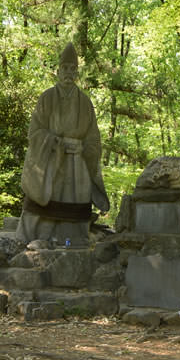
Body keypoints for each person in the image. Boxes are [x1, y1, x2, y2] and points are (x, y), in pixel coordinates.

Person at [16, 42, 109, 247]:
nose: (69, 73)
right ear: (58, 71)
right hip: (51, 158)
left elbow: (93, 136)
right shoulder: (47, 98)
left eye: (73, 69)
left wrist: (84, 148)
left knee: (75, 200)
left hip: (78, 162)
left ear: (77, 73)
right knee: (49, 198)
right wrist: (53, 141)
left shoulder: (85, 102)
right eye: (65, 68)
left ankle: (73, 239)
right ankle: (40, 237)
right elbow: (35, 132)